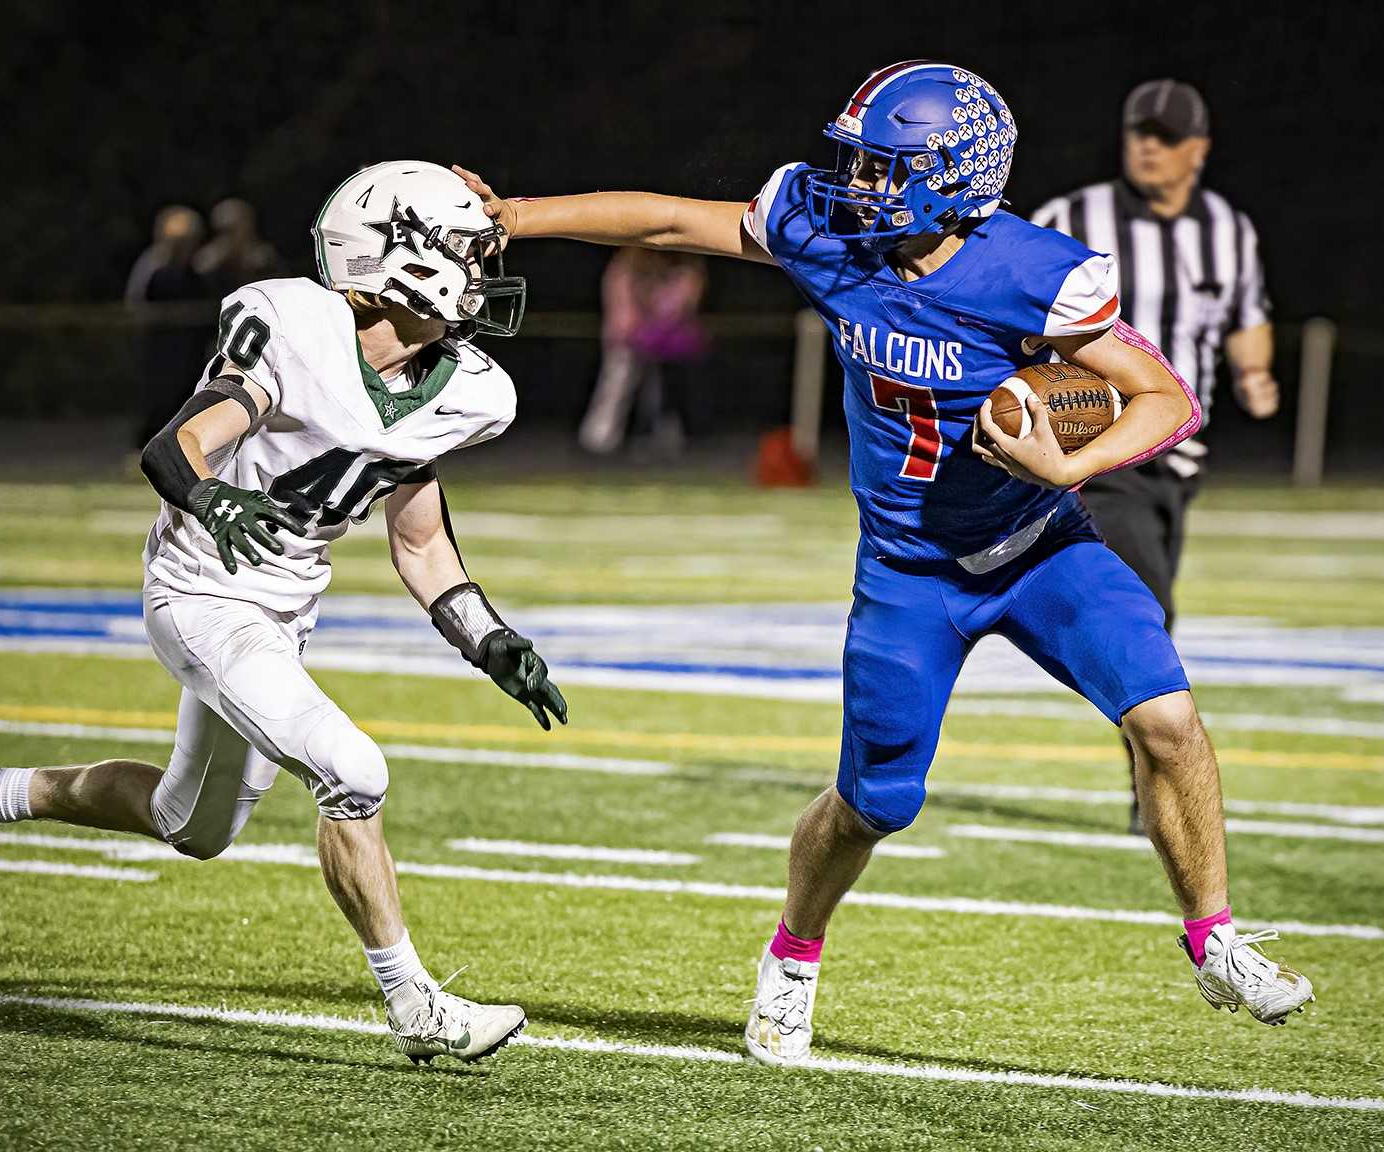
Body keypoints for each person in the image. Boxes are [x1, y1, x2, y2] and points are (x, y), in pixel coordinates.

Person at [455, 58, 1313, 1065]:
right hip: (910, 574)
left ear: (956, 177)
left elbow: (1167, 398)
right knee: (873, 806)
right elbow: (668, 223)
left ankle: (1213, 936)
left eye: (884, 168)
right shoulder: (826, 230)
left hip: (1042, 547)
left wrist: (1067, 459)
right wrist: (517, 213)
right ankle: (793, 953)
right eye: (857, 163)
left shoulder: (1030, 269)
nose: (858, 185)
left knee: (1167, 721)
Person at [0, 161, 567, 1065]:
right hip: (203, 590)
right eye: (465, 252)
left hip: (284, 610)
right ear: (397, 262)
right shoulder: (292, 328)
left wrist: (490, 639)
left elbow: (419, 543)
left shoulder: (465, 390)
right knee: (352, 768)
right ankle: (416, 1006)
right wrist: (213, 500)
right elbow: (177, 446)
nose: (481, 270)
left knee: (191, 824)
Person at [1031, 79, 1278, 835]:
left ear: (1199, 150)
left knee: (1154, 603)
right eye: (1140, 130)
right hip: (1100, 452)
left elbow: (1245, 314)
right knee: (1144, 610)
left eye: (1167, 136)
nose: (1149, 145)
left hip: (1180, 457)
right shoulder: (1073, 219)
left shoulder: (1228, 230)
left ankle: (1151, 771)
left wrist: (1255, 375)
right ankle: (1157, 784)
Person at [579, 247, 708, 456]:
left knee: (657, 391)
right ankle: (598, 439)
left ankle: (654, 438)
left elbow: (682, 304)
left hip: (656, 339)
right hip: (626, 336)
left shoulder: (679, 271)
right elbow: (622, 308)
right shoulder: (625, 269)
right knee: (616, 384)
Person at [126, 205, 214, 451]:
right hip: (158, 349)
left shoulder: (198, 269)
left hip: (190, 350)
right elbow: (136, 305)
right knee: (157, 402)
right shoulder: (153, 267)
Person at [194, 197, 287, 299]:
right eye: (222, 231)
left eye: (231, 230)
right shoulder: (210, 256)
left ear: (248, 225)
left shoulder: (265, 257)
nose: (227, 237)